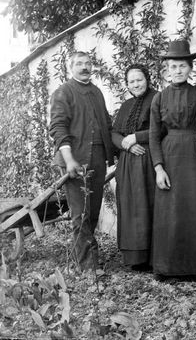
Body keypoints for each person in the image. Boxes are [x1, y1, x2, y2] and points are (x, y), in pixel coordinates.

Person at [149, 39, 196, 279]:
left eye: (182, 66)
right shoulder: (159, 99)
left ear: (191, 68)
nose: (178, 71)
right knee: (171, 211)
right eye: (173, 66)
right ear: (166, 70)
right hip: (170, 156)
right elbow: (153, 136)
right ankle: (169, 267)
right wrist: (159, 168)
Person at [49, 51, 114, 271]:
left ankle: (88, 258)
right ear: (70, 68)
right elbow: (58, 127)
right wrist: (69, 160)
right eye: (79, 64)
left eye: (87, 63)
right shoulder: (63, 92)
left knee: (93, 211)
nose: (84, 67)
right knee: (81, 213)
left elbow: (106, 123)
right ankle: (88, 267)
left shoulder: (96, 92)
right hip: (74, 159)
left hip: (97, 157)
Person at [111, 64, 157, 269]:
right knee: (131, 208)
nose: (136, 84)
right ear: (127, 85)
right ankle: (135, 258)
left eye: (139, 79)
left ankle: (154, 257)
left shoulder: (158, 98)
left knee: (149, 207)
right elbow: (113, 134)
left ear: (147, 79)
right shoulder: (126, 105)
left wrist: (136, 137)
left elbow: (163, 129)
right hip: (128, 166)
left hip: (149, 162)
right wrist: (126, 145)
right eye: (131, 81)